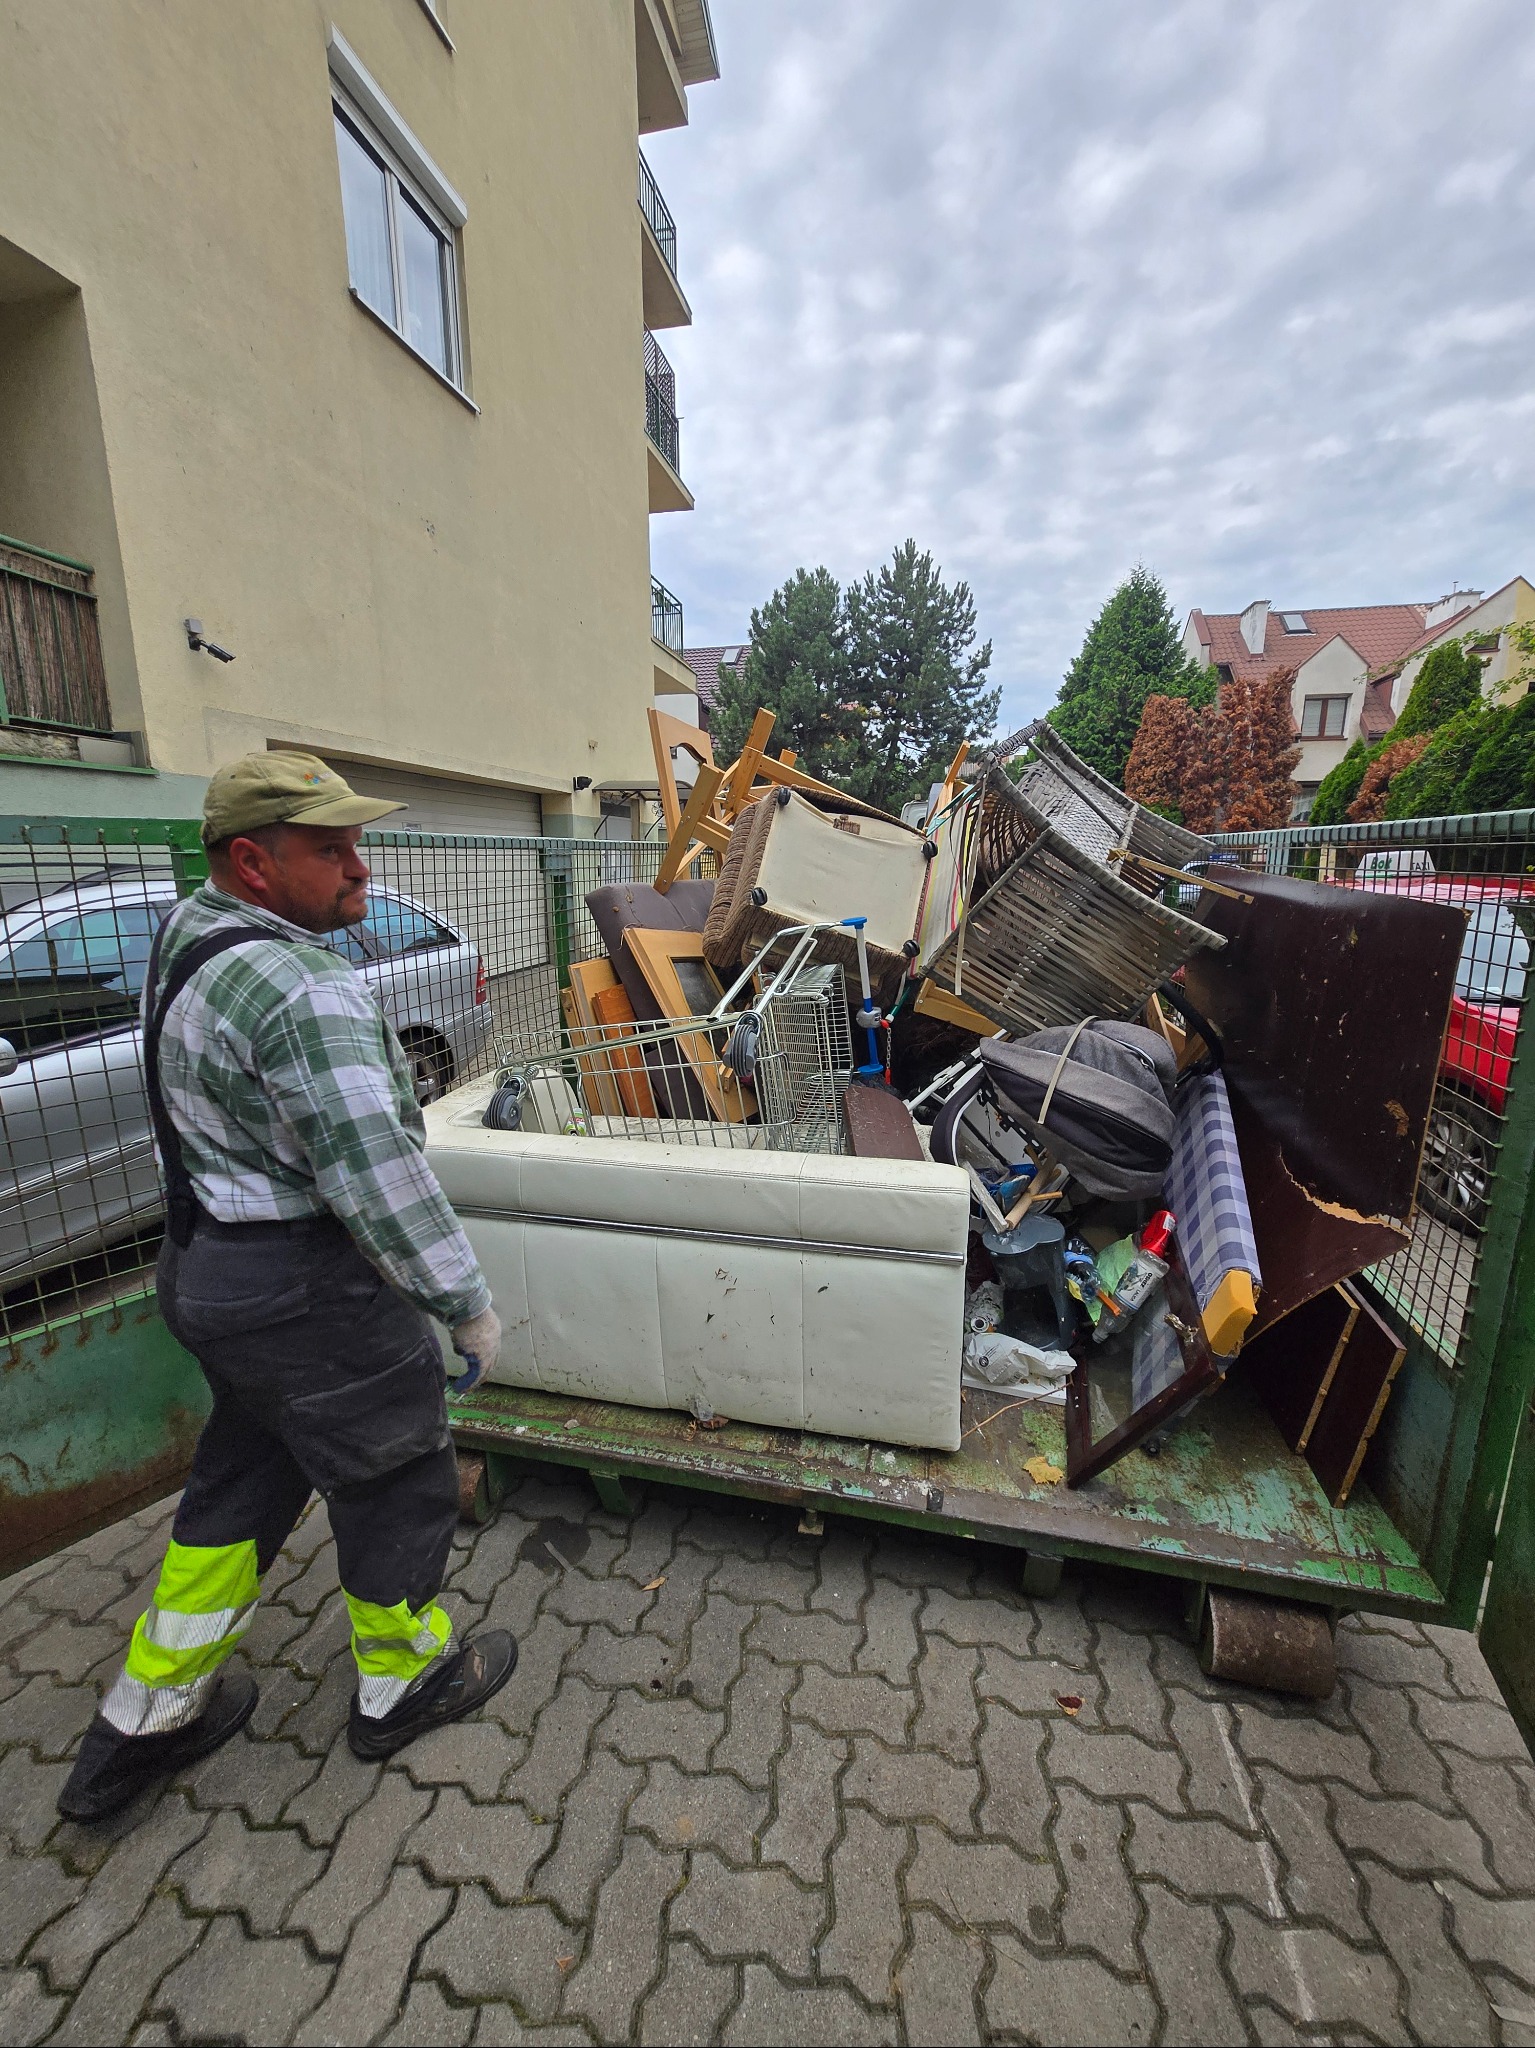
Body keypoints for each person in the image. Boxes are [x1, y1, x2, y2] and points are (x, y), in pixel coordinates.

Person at [59, 751, 515, 1823]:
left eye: (357, 840)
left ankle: (141, 1722)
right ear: (253, 860)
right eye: (330, 848)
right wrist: (465, 1303)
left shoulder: (190, 935)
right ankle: (404, 1681)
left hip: (207, 1268)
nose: (361, 866)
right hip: (307, 1290)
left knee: (243, 1482)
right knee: (395, 1471)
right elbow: (377, 1173)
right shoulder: (304, 987)